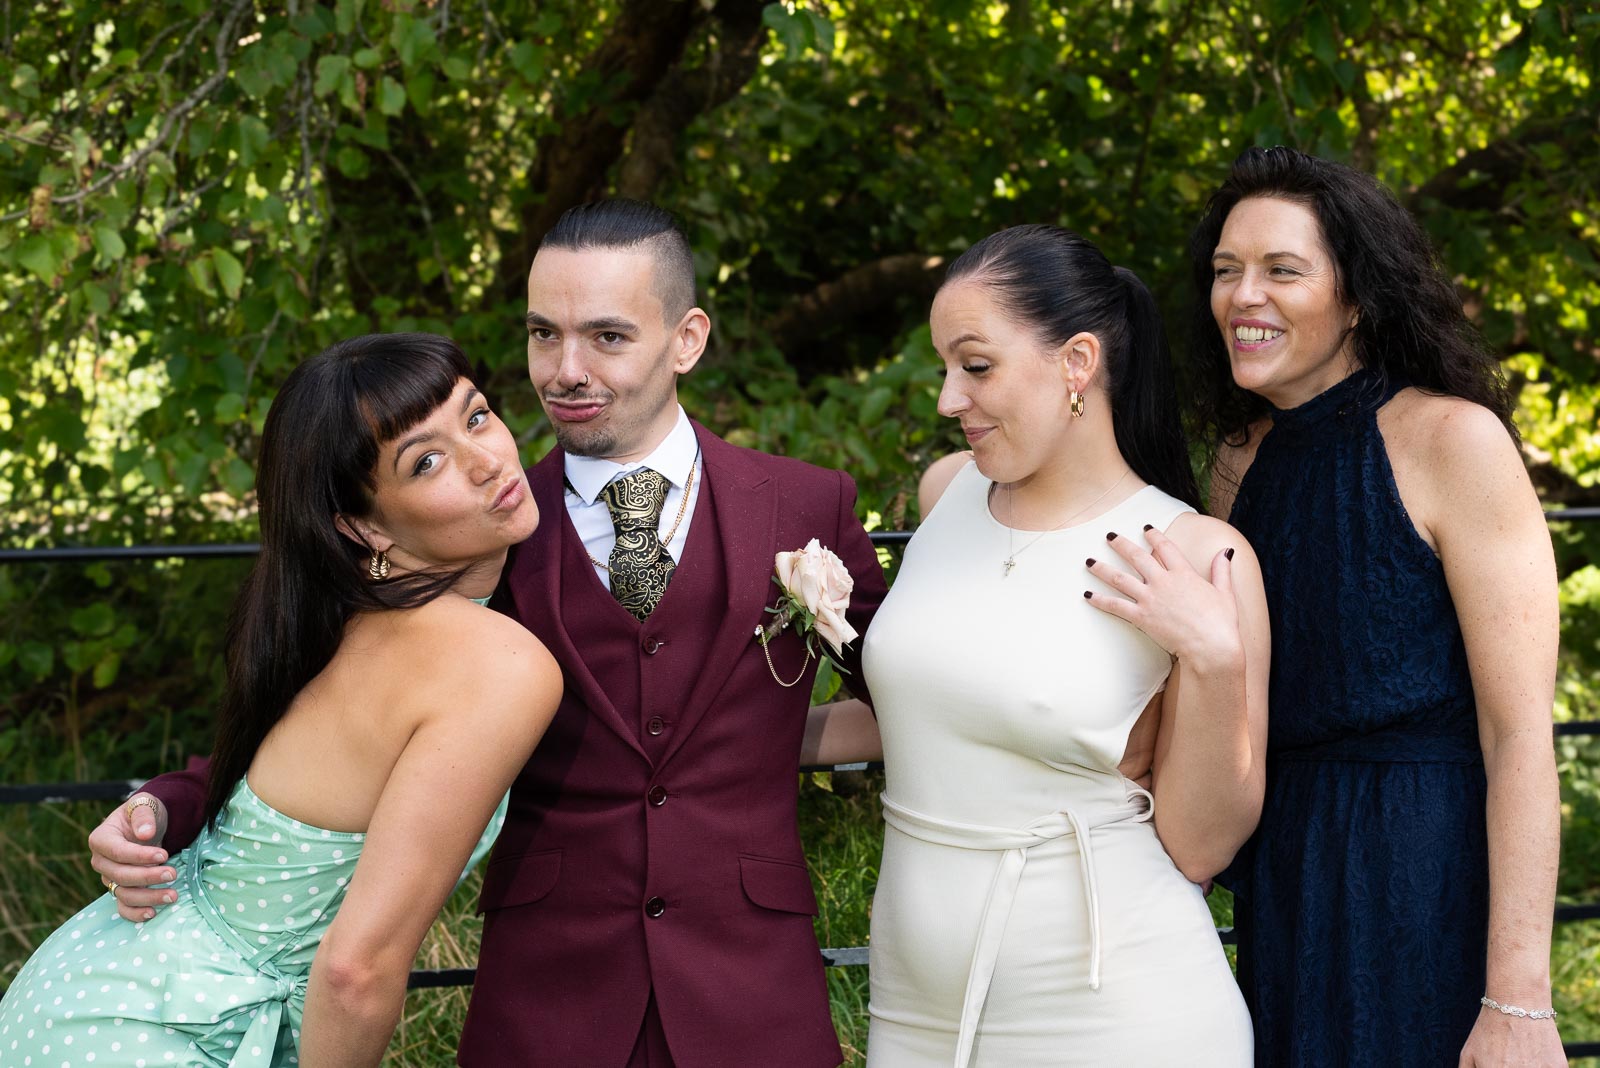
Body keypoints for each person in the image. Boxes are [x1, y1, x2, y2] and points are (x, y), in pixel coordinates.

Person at [85, 199, 889, 1067]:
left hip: (753, 984)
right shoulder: (470, 529)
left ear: (687, 339)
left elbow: (907, 698)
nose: (565, 370)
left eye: (608, 338)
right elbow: (325, 713)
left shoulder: (810, 504)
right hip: (548, 993)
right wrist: (167, 801)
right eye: (545, 335)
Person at [4, 333, 562, 1066]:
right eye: (426, 461)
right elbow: (354, 971)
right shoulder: (495, 663)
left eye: (478, 415)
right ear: (363, 525)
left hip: (92, 989)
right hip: (159, 1035)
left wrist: (164, 803)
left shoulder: (341, 618)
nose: (487, 459)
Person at [806, 224, 1270, 1065]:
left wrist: (1216, 658)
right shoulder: (947, 493)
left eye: (975, 366)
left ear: (1077, 362)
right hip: (915, 1006)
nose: (949, 398)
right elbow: (933, 716)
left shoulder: (1196, 555)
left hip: (1114, 1010)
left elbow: (1203, 844)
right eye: (947, 367)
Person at [1188, 146, 1563, 1067]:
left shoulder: (1452, 440)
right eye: (1226, 271)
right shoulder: (1238, 463)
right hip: (1286, 874)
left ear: (1357, 295)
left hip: (1425, 871)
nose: (1244, 296)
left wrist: (1517, 1001)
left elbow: (1519, 736)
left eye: (1283, 270)